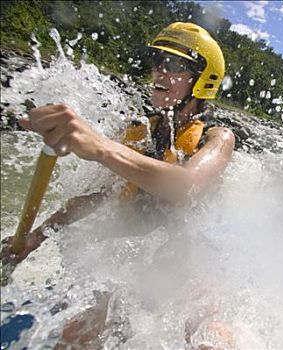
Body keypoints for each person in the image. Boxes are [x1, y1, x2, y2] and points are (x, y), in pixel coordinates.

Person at [1, 22, 236, 349]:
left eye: (176, 65)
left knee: (210, 341)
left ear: (203, 81)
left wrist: (101, 147)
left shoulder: (218, 137)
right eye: (157, 61)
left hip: (186, 271)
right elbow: (98, 196)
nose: (160, 72)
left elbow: (187, 185)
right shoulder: (141, 131)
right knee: (72, 340)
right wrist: (36, 236)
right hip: (132, 269)